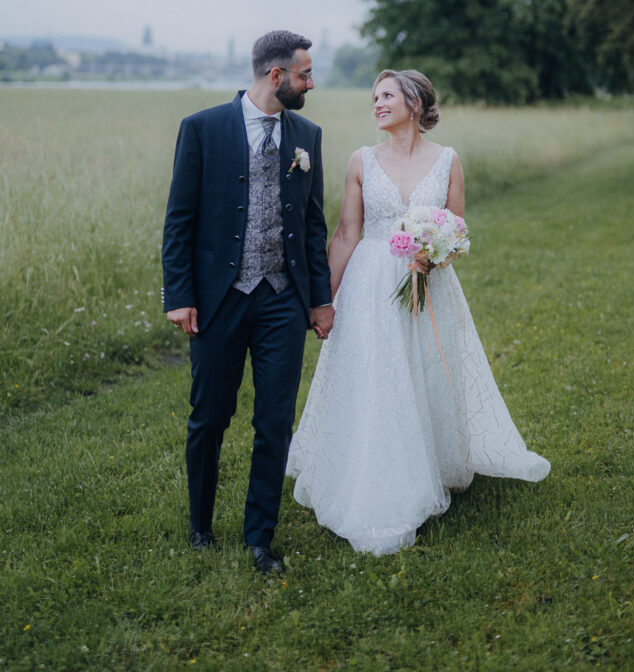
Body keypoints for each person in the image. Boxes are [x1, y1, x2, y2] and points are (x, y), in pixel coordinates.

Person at [287, 69, 550, 555]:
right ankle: (374, 471)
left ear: (413, 101)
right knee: (377, 376)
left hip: (430, 282)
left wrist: (437, 252)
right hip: (369, 283)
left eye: (387, 95)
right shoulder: (360, 161)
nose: (378, 104)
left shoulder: (448, 161)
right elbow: (346, 234)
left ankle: (430, 460)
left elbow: (458, 230)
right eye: (374, 97)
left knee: (426, 369)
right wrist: (323, 300)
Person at [162, 30, 334, 574]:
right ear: (276, 76)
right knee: (209, 416)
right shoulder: (203, 129)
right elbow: (179, 220)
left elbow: (312, 225)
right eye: (305, 74)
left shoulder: (307, 133)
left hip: (284, 298)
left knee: (275, 420)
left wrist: (320, 298)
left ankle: (259, 536)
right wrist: (180, 295)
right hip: (218, 299)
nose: (311, 83)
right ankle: (199, 526)